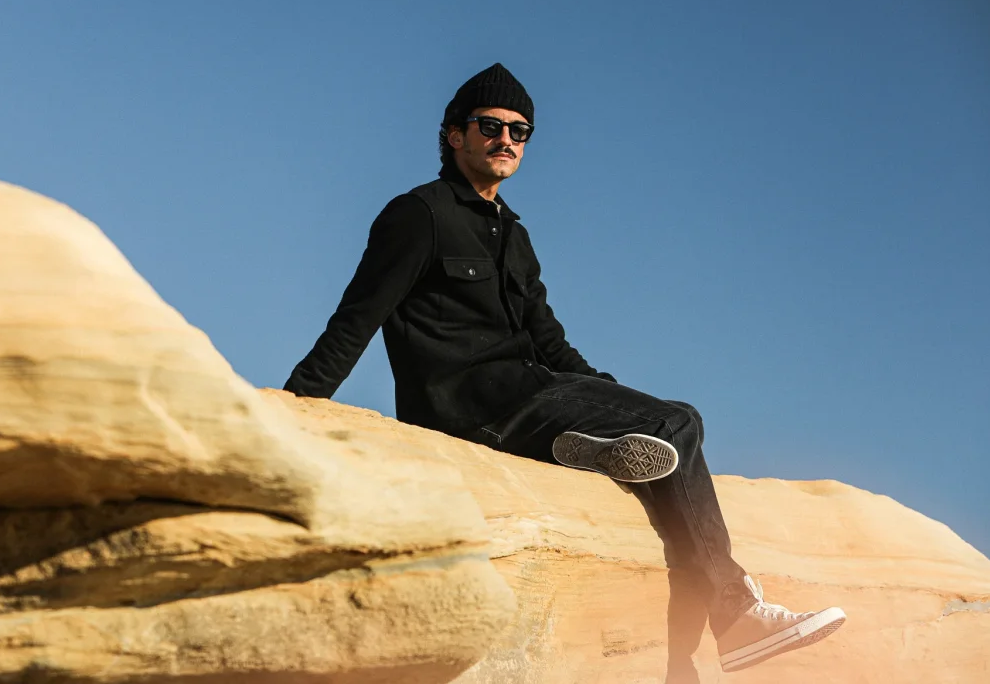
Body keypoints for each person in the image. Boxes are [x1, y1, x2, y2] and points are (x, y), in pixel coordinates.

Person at [284, 63, 845, 673]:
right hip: (471, 407)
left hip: (533, 392)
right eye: (490, 126)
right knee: (677, 425)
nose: (506, 139)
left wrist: (607, 396)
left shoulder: (513, 234)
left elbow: (548, 340)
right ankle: (734, 615)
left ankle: (677, 650)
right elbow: (357, 317)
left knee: (671, 427)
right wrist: (293, 407)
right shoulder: (419, 214)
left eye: (519, 131)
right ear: (454, 135)